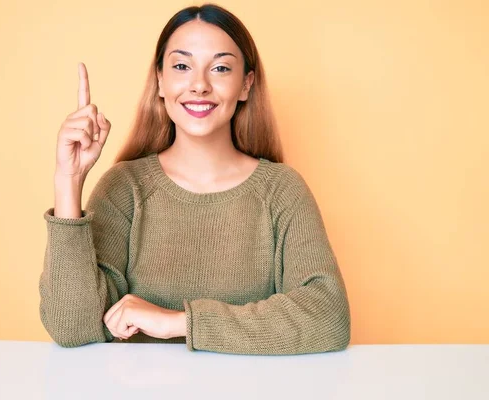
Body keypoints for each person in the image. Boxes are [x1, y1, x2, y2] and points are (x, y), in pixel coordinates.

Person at [39, 3, 351, 355]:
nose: (199, 85)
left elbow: (328, 317)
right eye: (182, 66)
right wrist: (69, 180)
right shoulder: (125, 188)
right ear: (160, 80)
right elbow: (72, 326)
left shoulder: (281, 190)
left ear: (246, 84)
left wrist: (179, 322)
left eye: (220, 68)